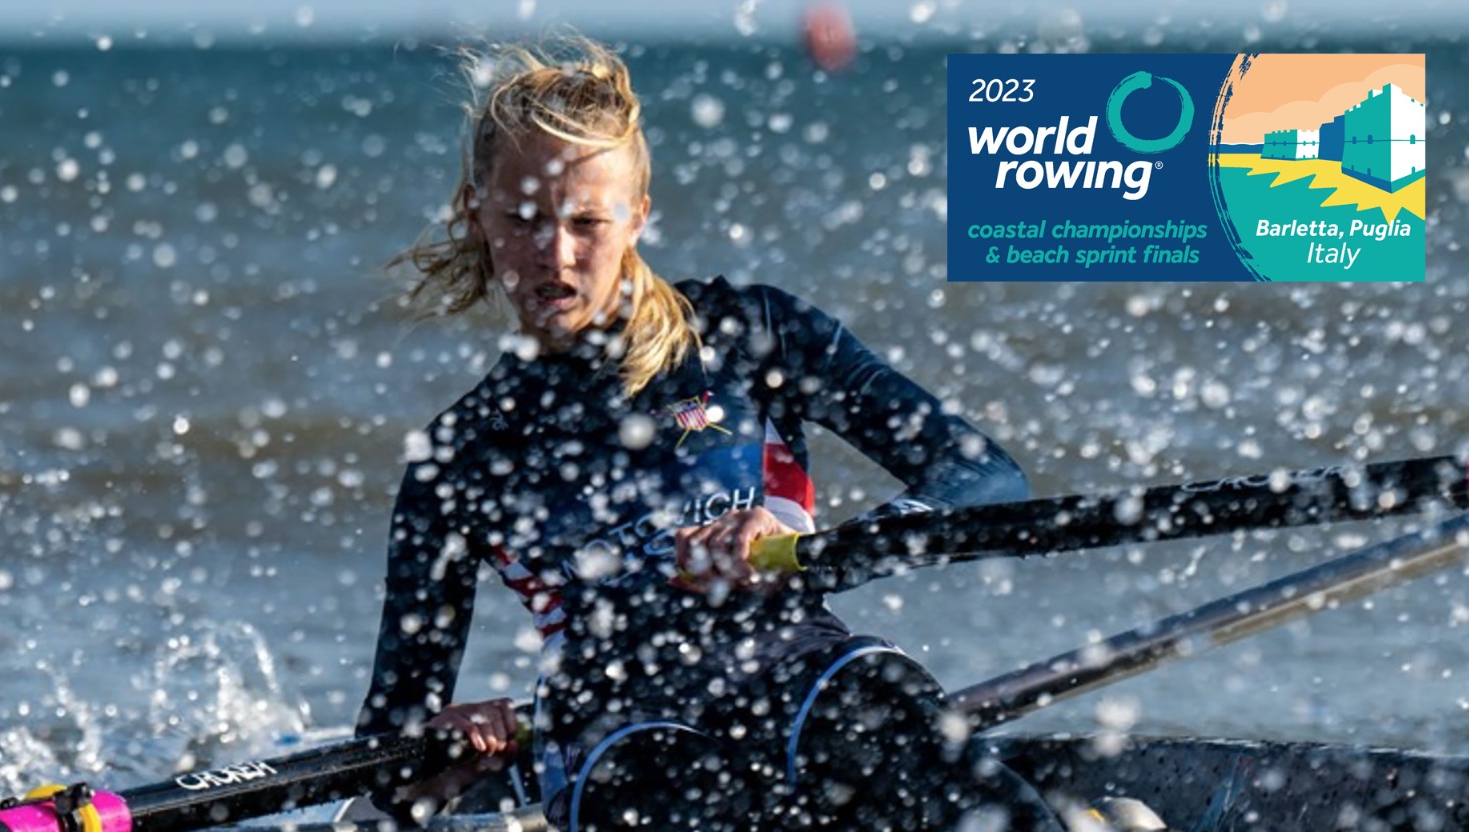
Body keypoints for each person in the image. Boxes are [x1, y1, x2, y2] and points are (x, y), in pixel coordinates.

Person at [355, 36, 1058, 831]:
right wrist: (438, 750)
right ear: (474, 212)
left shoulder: (751, 333)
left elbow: (985, 478)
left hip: (802, 670)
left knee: (880, 705)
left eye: (587, 222)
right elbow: (388, 751)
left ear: (637, 216)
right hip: (620, 730)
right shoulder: (461, 454)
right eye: (523, 220)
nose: (556, 255)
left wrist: (820, 547)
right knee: (674, 785)